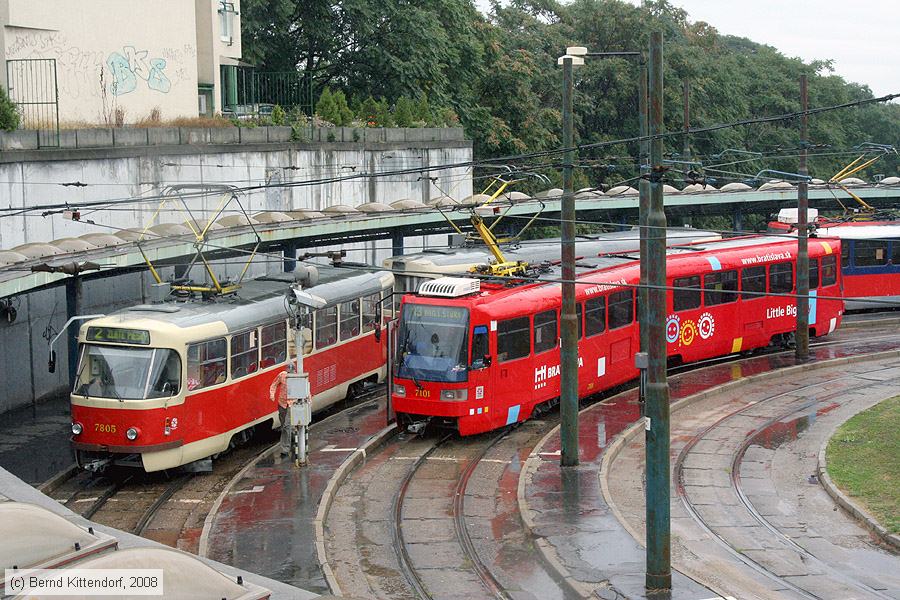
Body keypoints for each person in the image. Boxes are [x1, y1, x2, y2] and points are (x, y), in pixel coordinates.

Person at [269, 362, 295, 456]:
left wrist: (309, 400)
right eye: (288, 371)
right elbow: (274, 384)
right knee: (284, 425)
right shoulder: (282, 375)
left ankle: (285, 449)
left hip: (292, 404)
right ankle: (293, 438)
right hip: (282, 404)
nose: (289, 373)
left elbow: (304, 390)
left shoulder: (297, 378)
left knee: (286, 426)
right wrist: (272, 395)